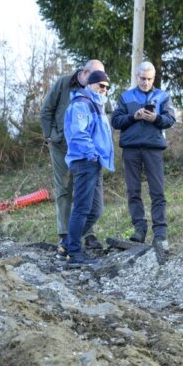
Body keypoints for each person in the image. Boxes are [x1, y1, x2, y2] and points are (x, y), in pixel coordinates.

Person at [41, 59, 105, 257]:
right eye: (94, 77)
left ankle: (85, 234)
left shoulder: (98, 91)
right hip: (62, 146)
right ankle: (65, 234)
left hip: (88, 151)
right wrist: (50, 136)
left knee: (87, 194)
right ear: (84, 72)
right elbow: (46, 110)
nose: (99, 83)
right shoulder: (64, 83)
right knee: (65, 190)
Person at [111, 61, 176, 250]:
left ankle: (160, 233)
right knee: (133, 191)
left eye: (149, 79)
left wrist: (156, 118)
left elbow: (170, 120)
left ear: (154, 78)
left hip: (153, 148)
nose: (145, 82)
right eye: (142, 78)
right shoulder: (125, 96)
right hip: (131, 149)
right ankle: (139, 229)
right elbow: (115, 120)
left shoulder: (163, 96)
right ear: (137, 77)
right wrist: (134, 117)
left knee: (157, 191)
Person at [63, 70, 115, 267]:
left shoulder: (96, 105)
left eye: (107, 87)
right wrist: (92, 154)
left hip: (95, 163)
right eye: (101, 85)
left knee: (96, 210)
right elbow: (78, 133)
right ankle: (74, 253)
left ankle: (69, 244)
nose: (104, 90)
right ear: (90, 84)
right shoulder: (81, 104)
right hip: (86, 161)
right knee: (82, 208)